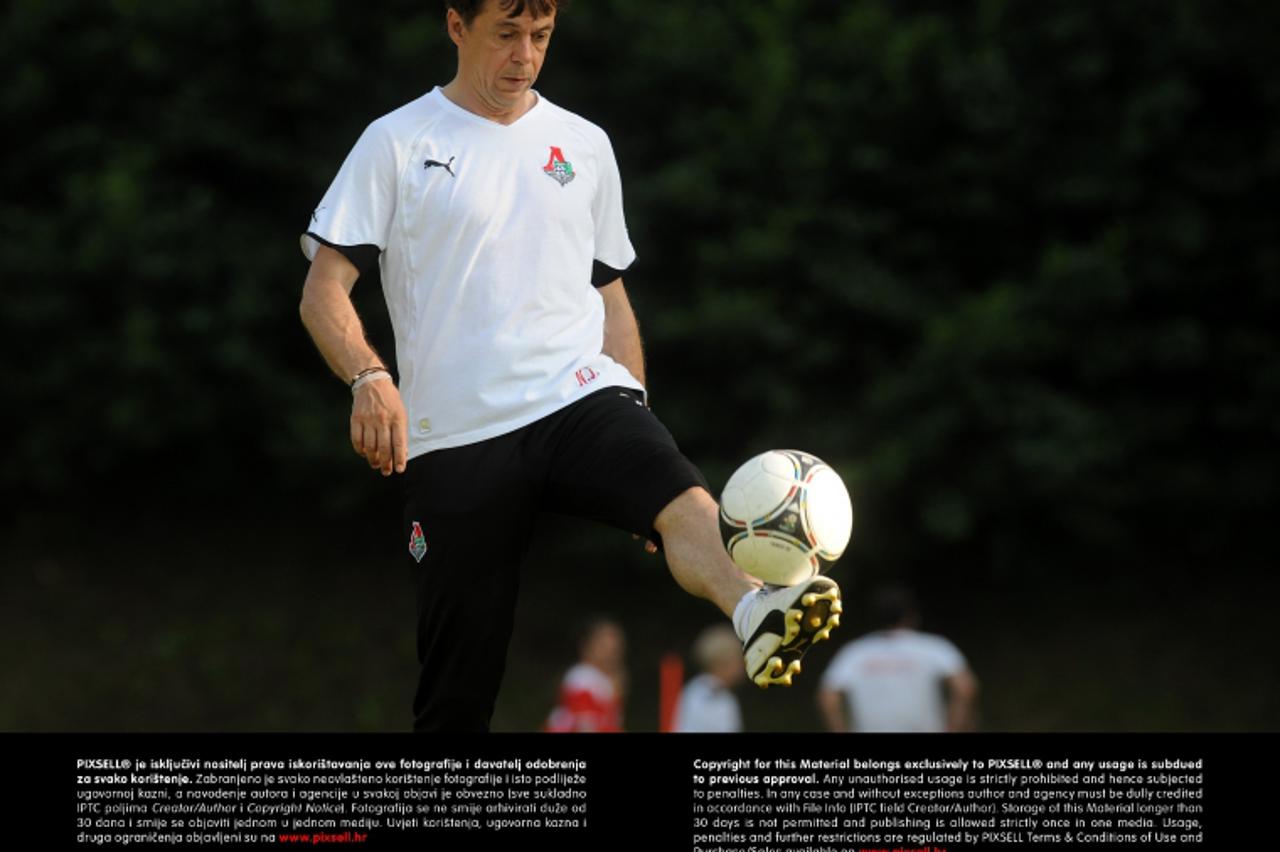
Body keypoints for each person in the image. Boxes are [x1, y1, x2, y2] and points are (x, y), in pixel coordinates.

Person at [298, 0, 841, 732]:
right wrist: (369, 376)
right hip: (455, 437)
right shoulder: (396, 141)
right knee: (458, 692)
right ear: (456, 26)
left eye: (541, 37)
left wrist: (638, 427)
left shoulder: (583, 145)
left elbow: (610, 295)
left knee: (678, 491)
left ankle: (755, 609)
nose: (524, 55)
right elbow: (323, 290)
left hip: (579, 397)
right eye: (506, 34)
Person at [817, 584, 978, 733]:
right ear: (912, 614)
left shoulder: (854, 652)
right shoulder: (933, 647)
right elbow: (965, 688)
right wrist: (954, 726)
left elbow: (828, 697)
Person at [544, 618, 626, 733]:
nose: (610, 654)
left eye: (615, 648)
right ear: (586, 646)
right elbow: (584, 726)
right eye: (603, 646)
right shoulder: (582, 678)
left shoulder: (605, 681)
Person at [672, 625, 745, 733]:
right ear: (722, 662)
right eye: (738, 661)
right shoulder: (708, 695)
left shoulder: (700, 690)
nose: (742, 667)